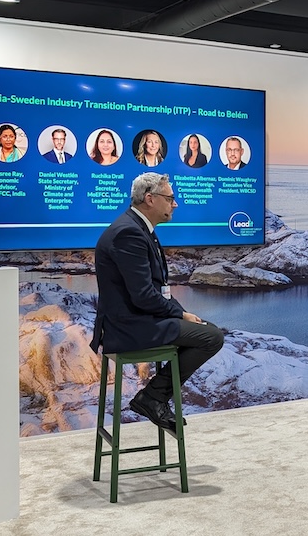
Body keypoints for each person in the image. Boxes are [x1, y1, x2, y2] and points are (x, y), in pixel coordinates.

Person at [90, 172, 224, 430]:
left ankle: (154, 397)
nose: (175, 204)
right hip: (128, 326)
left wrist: (182, 312)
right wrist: (179, 315)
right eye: (170, 198)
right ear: (150, 199)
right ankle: (153, 397)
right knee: (212, 338)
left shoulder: (138, 228)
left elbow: (156, 288)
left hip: (138, 318)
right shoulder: (128, 233)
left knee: (205, 330)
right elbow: (143, 296)